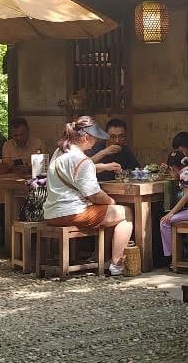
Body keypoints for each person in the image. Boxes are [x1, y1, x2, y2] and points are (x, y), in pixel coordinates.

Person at [43, 117, 133, 275]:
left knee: (110, 213)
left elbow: (75, 172)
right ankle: (117, 263)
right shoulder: (80, 159)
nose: (96, 140)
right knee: (125, 212)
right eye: (94, 137)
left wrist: (102, 166)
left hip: (52, 213)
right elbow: (95, 194)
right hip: (72, 212)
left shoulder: (61, 151)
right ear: (85, 137)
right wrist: (111, 202)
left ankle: (104, 258)